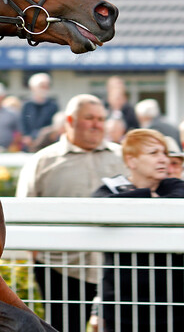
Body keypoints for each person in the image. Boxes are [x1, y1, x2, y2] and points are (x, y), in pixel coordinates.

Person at [15, 94, 125, 332]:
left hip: (116, 269)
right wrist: (37, 257)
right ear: (70, 120)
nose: (97, 124)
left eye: (100, 118)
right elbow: (25, 214)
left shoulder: (123, 157)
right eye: (89, 118)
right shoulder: (42, 162)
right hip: (60, 267)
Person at [92, 129, 184, 332]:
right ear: (131, 161)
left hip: (171, 305)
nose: (163, 160)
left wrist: (136, 199)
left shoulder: (175, 185)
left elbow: (177, 202)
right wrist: (149, 196)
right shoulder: (111, 187)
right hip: (120, 305)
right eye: (153, 154)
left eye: (164, 153)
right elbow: (100, 207)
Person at [19, 73, 59, 150]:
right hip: (29, 145)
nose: (44, 88)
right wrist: (26, 137)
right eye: (41, 86)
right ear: (32, 87)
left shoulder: (53, 105)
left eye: (46, 86)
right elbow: (22, 123)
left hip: (47, 144)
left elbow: (54, 125)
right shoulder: (26, 105)